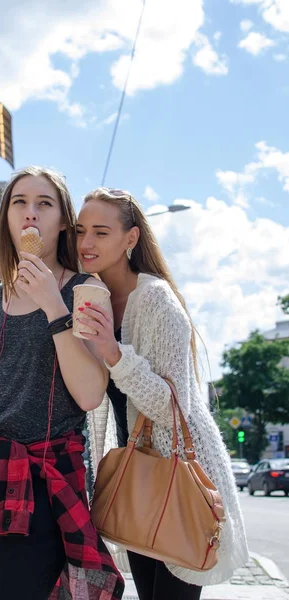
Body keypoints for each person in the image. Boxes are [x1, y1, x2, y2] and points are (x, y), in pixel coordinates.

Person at [0, 169, 124, 600]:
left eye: (44, 203)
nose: (30, 213)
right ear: (5, 219)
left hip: (39, 482)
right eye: (19, 202)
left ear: (62, 222)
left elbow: (91, 394)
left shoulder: (85, 290)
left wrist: (53, 306)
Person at [76, 188, 248, 600]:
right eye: (81, 231)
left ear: (130, 239)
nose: (86, 243)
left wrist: (113, 352)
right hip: (140, 475)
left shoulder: (156, 301)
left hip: (182, 478)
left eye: (101, 232)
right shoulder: (92, 295)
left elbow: (174, 410)